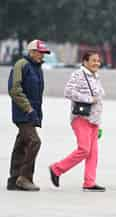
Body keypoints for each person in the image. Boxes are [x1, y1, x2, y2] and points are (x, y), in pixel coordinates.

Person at [49, 51, 106, 192]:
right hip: (81, 118)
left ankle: (89, 182)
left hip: (94, 120)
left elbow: (99, 98)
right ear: (85, 61)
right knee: (84, 150)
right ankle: (56, 169)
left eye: (98, 61)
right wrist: (88, 99)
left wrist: (99, 124)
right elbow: (68, 92)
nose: (96, 63)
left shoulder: (95, 77)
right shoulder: (78, 75)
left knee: (93, 153)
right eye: (93, 60)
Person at [6, 39, 50, 191]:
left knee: (22, 144)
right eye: (40, 52)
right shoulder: (21, 65)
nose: (42, 56)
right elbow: (14, 89)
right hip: (23, 113)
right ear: (31, 51)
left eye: (44, 53)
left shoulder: (38, 68)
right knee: (34, 141)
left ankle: (13, 180)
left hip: (32, 113)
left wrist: (36, 113)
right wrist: (28, 109)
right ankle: (24, 178)